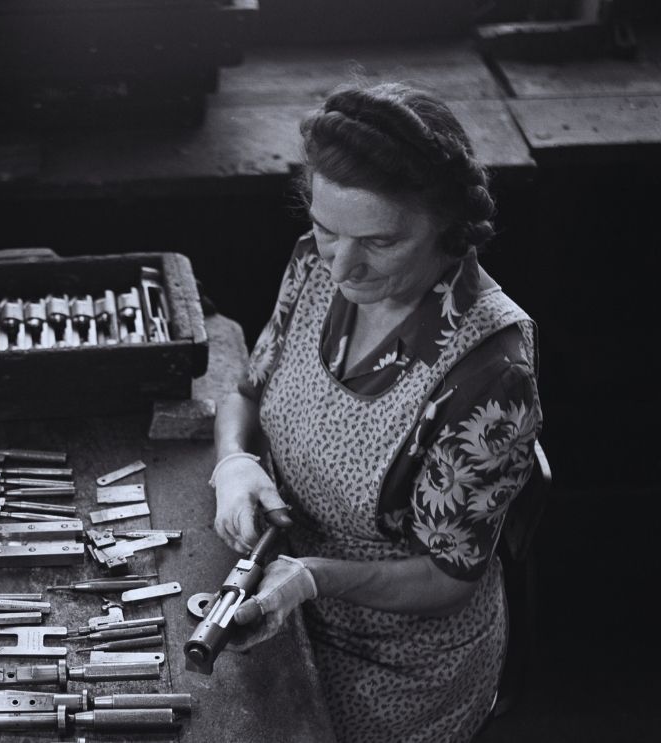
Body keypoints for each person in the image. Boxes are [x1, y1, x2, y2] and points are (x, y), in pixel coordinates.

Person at [211, 82, 543, 743]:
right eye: (323, 228)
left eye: (379, 242)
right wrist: (235, 462)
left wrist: (309, 580)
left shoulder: (487, 372)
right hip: (274, 580)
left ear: (448, 231)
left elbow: (446, 575)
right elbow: (247, 391)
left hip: (396, 660)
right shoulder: (316, 262)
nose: (342, 265)